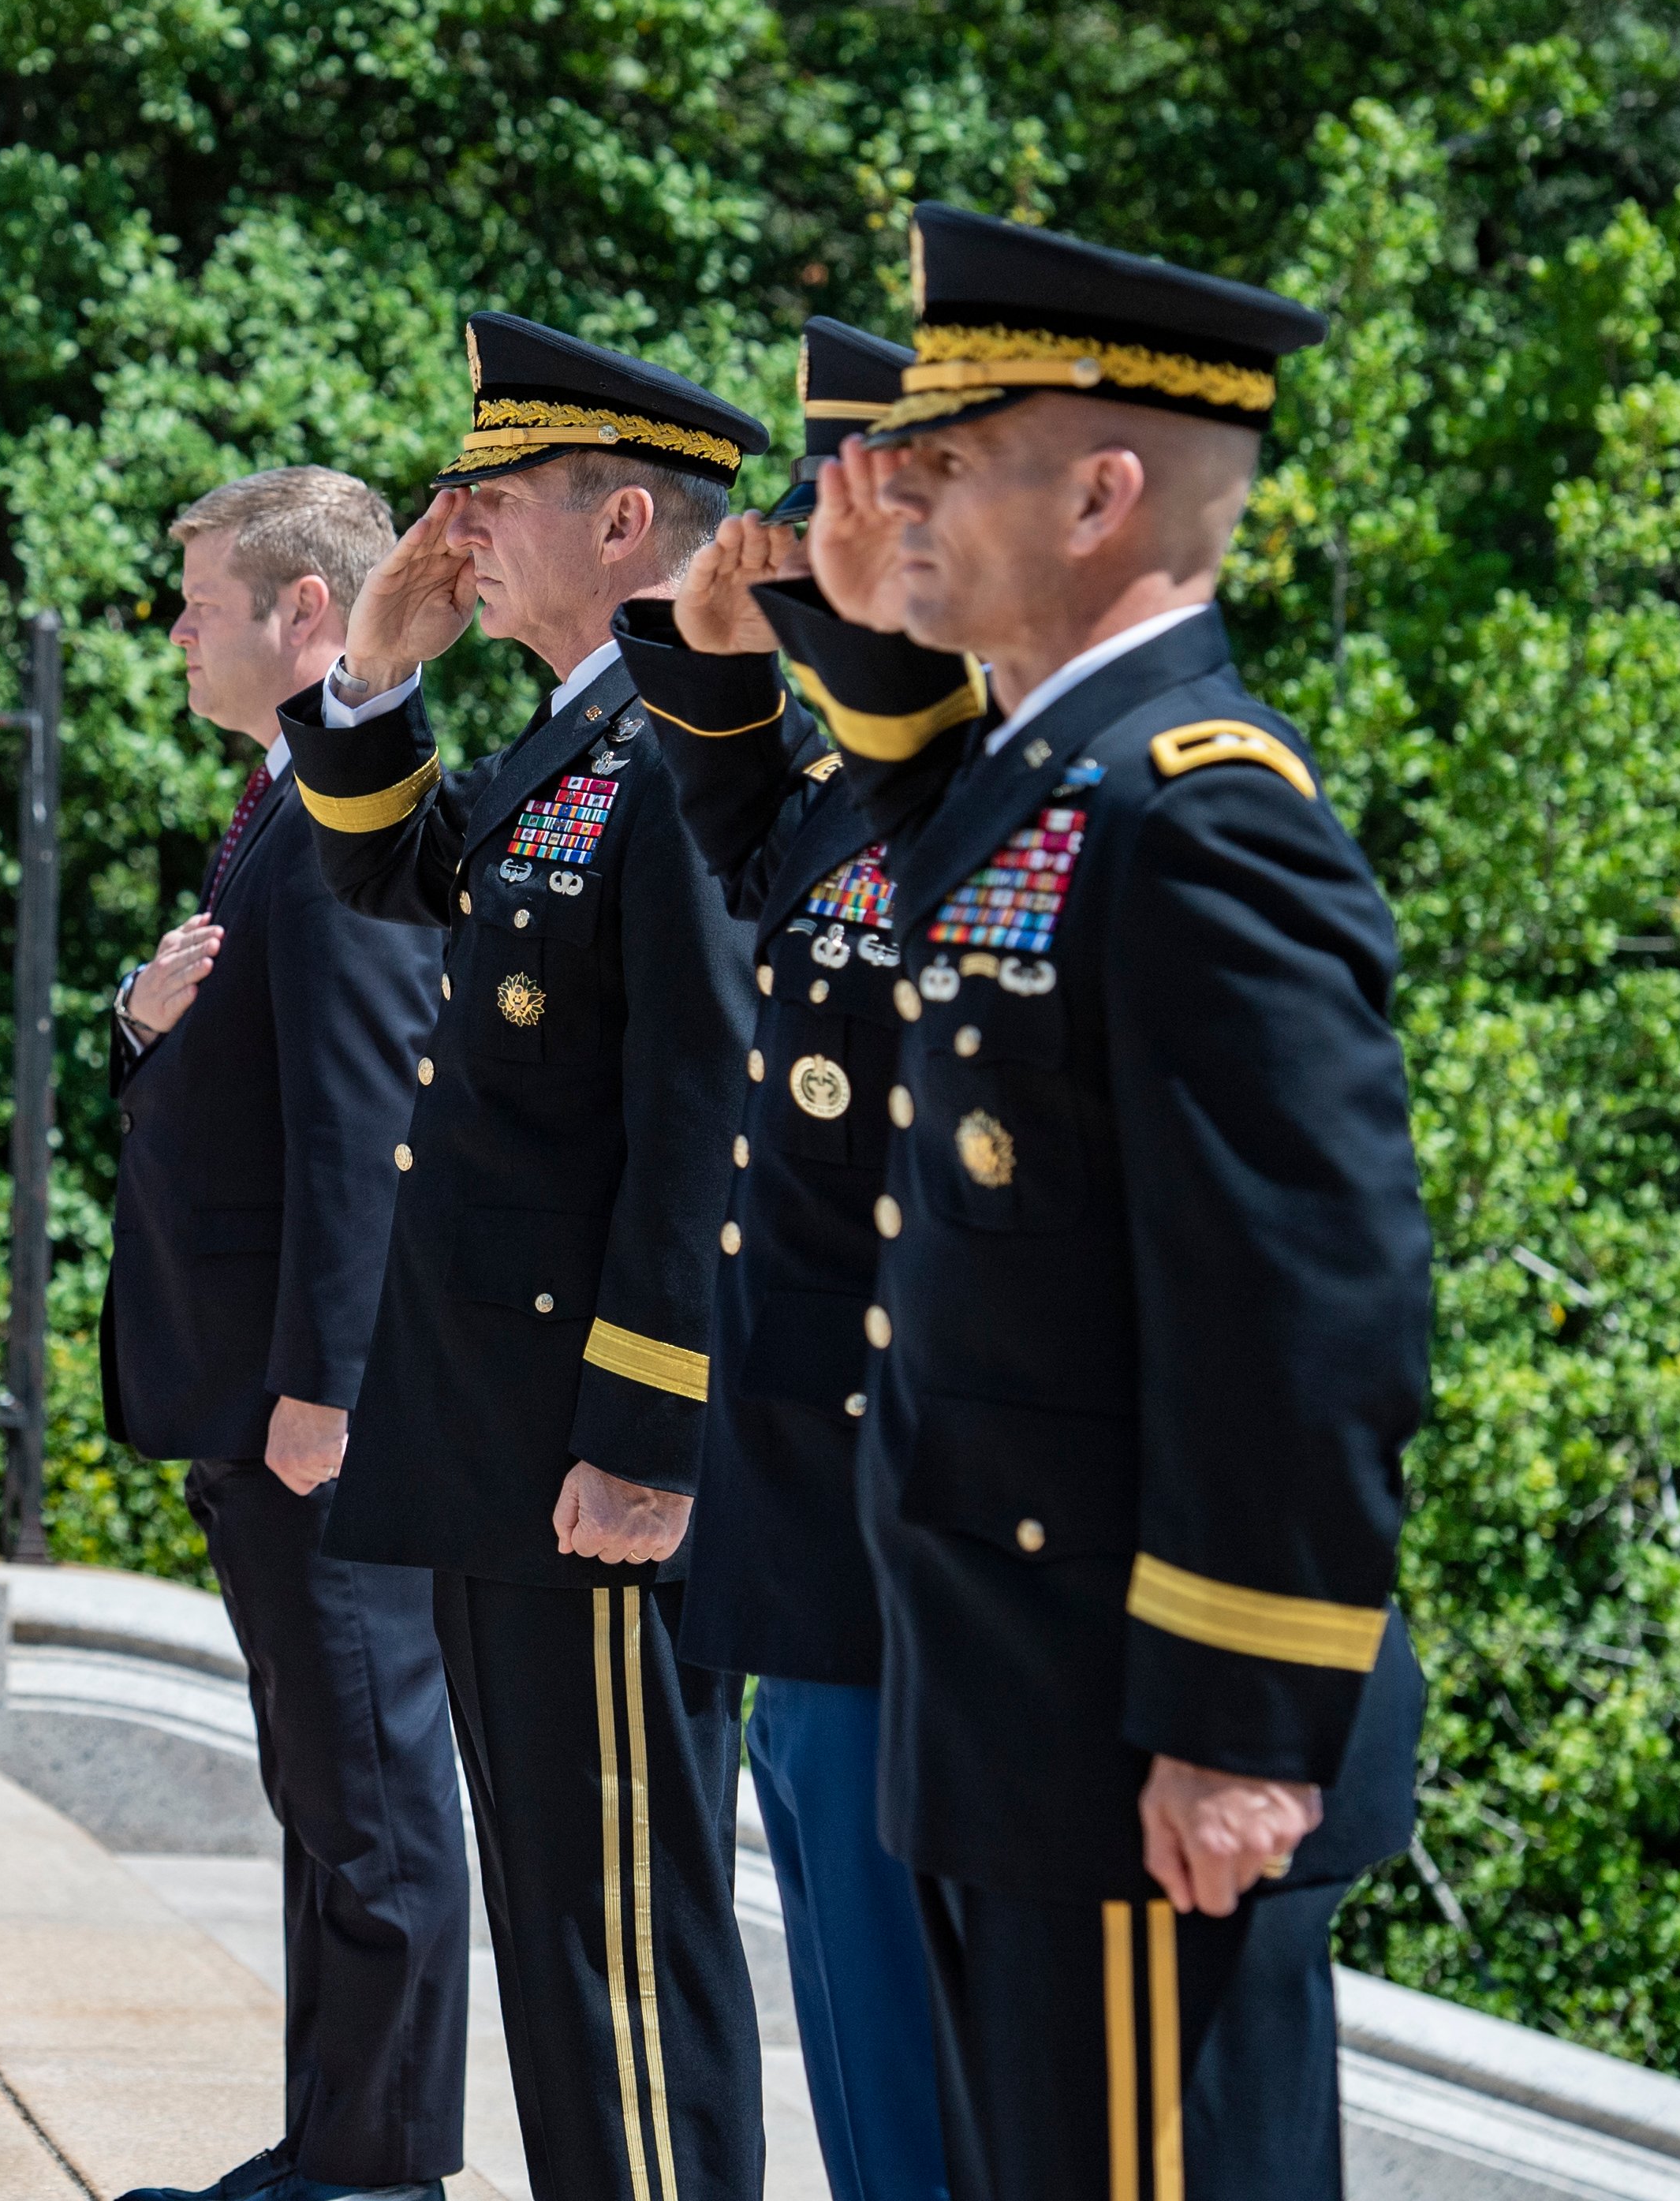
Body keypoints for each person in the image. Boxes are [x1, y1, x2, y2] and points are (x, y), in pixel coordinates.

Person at [754, 204, 1429, 2201]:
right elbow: (913, 806)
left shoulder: (1203, 814)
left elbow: (1310, 1305)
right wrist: (869, 603)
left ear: (1103, 493)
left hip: (1148, 1738)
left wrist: (1235, 1718)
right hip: (1020, 1711)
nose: (894, 494)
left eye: (947, 462)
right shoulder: (1050, 781)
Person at [281, 316, 770, 2201]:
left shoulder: (695, 756)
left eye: (491, 500)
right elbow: (398, 870)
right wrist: (378, 663)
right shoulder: (581, 745)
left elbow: (703, 1118)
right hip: (507, 1444)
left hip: (591, 1456)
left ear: (625, 517)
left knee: (620, 1952)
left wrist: (650, 1433)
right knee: (561, 1943)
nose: (455, 526)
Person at [609, 319, 954, 2201]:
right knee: (851, 2023)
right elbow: (750, 838)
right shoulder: (859, 785)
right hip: (809, 1508)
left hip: (908, 1519)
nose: (799, 518)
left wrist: (813, 631)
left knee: (916, 2064)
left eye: (841, 489)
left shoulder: (979, 773)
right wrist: (714, 639)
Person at [108, 467, 465, 2201]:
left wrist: (325, 1385)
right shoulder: (278, 799)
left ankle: (383, 2169)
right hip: (264, 1386)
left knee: (375, 1795)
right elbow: (233, 1058)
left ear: (303, 616)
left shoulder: (343, 815)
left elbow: (363, 1127)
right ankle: (334, 2141)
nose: (176, 629)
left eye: (199, 600)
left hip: (314, 1398)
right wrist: (135, 1011)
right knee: (322, 1792)